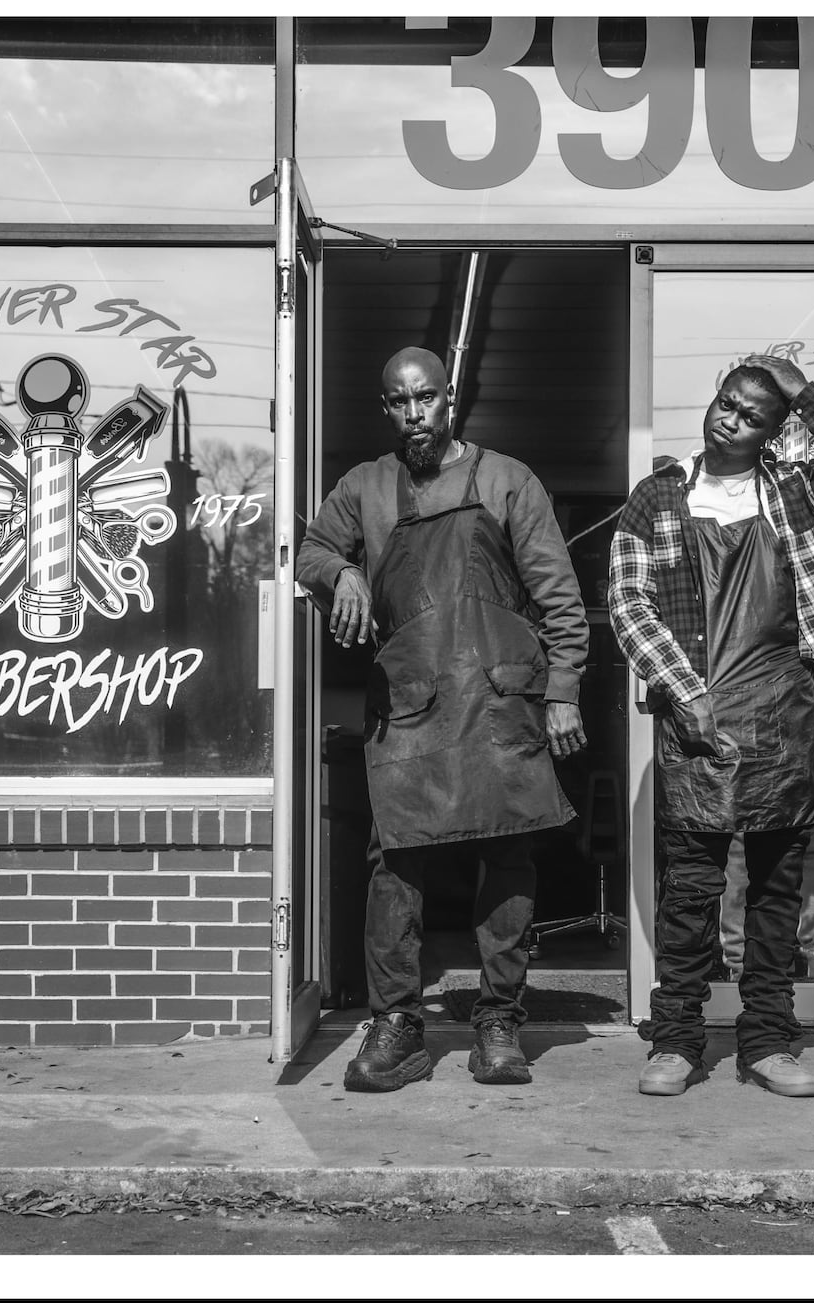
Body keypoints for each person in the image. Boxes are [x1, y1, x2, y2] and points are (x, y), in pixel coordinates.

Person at [297, 347, 591, 1092]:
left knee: (509, 856)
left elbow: (558, 594)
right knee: (394, 863)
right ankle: (397, 1023)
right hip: (411, 700)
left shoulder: (507, 478)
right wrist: (345, 571)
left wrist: (563, 688)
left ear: (448, 397)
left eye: (424, 397)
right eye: (398, 402)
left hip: (499, 699)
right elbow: (311, 552)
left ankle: (499, 1019)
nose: (413, 412)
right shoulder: (364, 487)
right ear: (386, 408)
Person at [602, 355, 814, 1100]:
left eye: (754, 413)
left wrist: (804, 394)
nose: (731, 416)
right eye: (727, 402)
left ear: (771, 430)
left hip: (783, 712)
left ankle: (767, 1040)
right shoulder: (657, 498)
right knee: (693, 890)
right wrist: (682, 690)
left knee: (775, 887)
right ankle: (676, 1040)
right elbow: (630, 604)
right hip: (695, 714)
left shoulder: (793, 493)